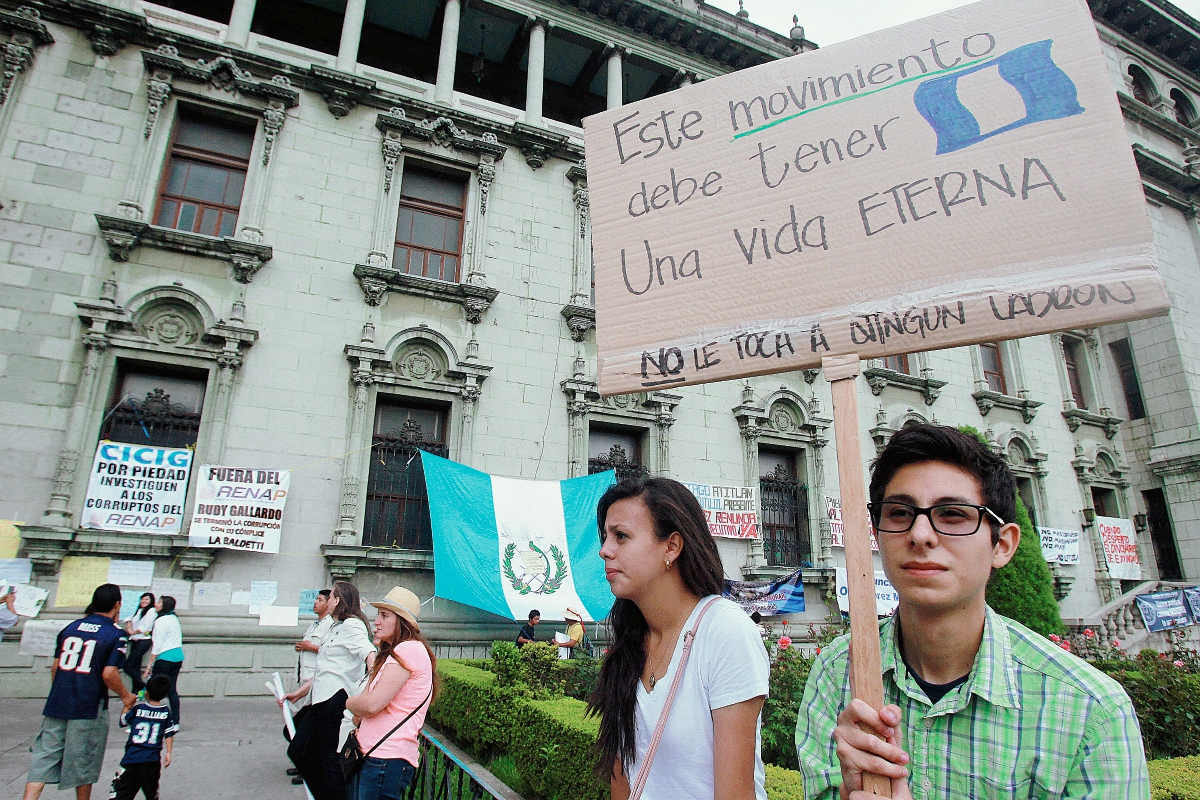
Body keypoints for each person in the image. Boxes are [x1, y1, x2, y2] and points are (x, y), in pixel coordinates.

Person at [795, 424, 1149, 799]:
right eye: (899, 512)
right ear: (877, 532)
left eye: (952, 514)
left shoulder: (1089, 711)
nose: (920, 534)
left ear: (1003, 545)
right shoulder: (838, 671)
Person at [588, 477, 771, 800]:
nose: (605, 551)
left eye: (621, 536)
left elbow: (735, 792)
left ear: (671, 546)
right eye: (605, 537)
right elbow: (624, 777)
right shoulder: (631, 641)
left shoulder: (724, 631)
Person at [23, 583, 136, 800]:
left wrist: (61, 691)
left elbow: (56, 667)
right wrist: (126, 695)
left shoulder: (71, 628)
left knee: (43, 757)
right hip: (88, 706)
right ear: (117, 605)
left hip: (58, 702)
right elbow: (109, 674)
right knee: (84, 761)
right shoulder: (115, 634)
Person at [284, 581, 376, 800]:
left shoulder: (352, 625)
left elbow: (368, 652)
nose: (326, 601)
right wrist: (299, 693)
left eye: (331, 596)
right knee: (301, 751)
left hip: (335, 698)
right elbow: (325, 668)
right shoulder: (335, 626)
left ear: (338, 600)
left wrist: (373, 686)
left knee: (327, 759)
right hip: (321, 698)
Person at [345, 586, 439, 800]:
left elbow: (370, 705)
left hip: (385, 759)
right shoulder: (394, 653)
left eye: (384, 616)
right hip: (374, 755)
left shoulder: (408, 649)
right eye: (378, 615)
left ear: (402, 622)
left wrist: (347, 701)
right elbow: (364, 708)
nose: (376, 621)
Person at [286, 588, 333, 785]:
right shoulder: (315, 624)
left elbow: (332, 652)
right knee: (301, 725)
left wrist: (309, 647)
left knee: (308, 727)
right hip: (306, 681)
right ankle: (303, 763)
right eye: (316, 599)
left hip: (317, 683)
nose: (315, 603)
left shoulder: (331, 625)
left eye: (320, 600)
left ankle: (310, 767)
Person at [109, 674, 175, 800]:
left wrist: (128, 705)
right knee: (151, 793)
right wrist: (168, 753)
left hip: (132, 759)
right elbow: (169, 733)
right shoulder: (166, 712)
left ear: (146, 693)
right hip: (152, 761)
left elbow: (123, 721)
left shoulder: (138, 709)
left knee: (122, 792)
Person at [142, 596, 183, 732]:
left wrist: (149, 665)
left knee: (153, 690)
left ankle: (147, 720)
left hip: (164, 657)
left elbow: (157, 645)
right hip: (177, 656)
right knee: (171, 690)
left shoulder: (160, 621)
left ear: (164, 606)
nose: (156, 604)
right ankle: (175, 722)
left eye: (159, 602)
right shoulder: (174, 619)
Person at [123, 593, 156, 693]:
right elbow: (129, 619)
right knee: (135, 667)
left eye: (146, 599)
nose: (144, 601)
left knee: (128, 666)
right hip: (135, 640)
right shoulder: (140, 610)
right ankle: (135, 693)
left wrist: (133, 632)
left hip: (143, 641)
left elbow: (145, 627)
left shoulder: (151, 611)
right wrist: (129, 626)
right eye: (142, 599)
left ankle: (144, 686)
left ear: (151, 601)